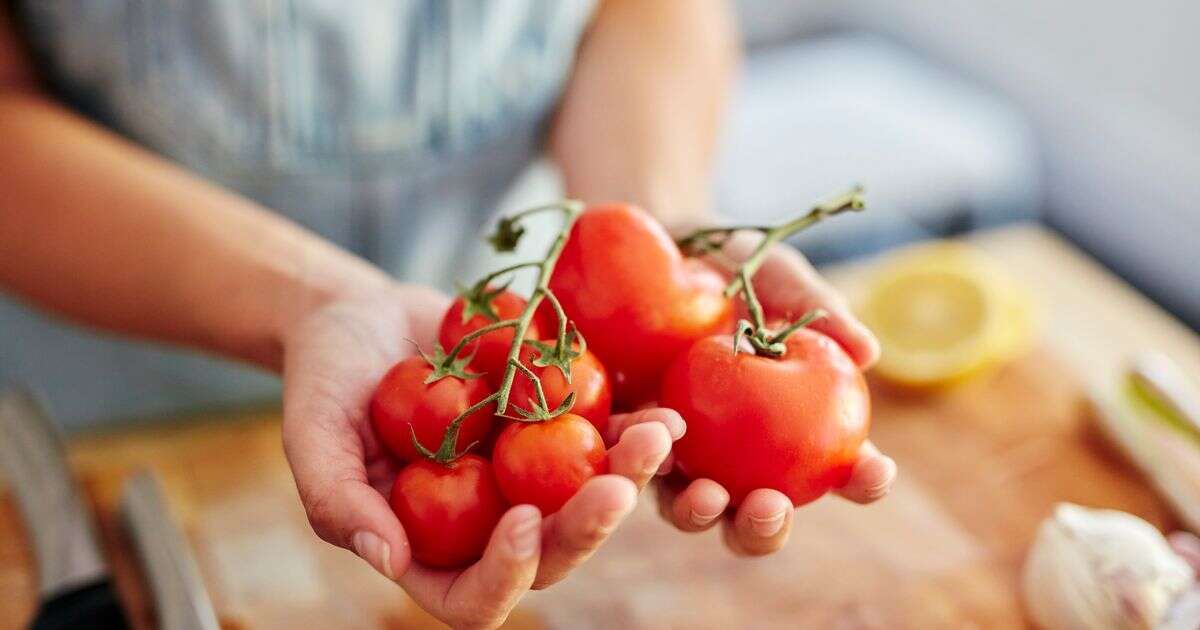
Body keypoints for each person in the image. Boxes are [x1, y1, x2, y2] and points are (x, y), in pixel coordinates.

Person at [0, 1, 896, 627]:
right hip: (112, 406)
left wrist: (647, 223)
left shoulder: (531, 381)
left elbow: (646, 7)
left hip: (509, 343)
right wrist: (312, 301)